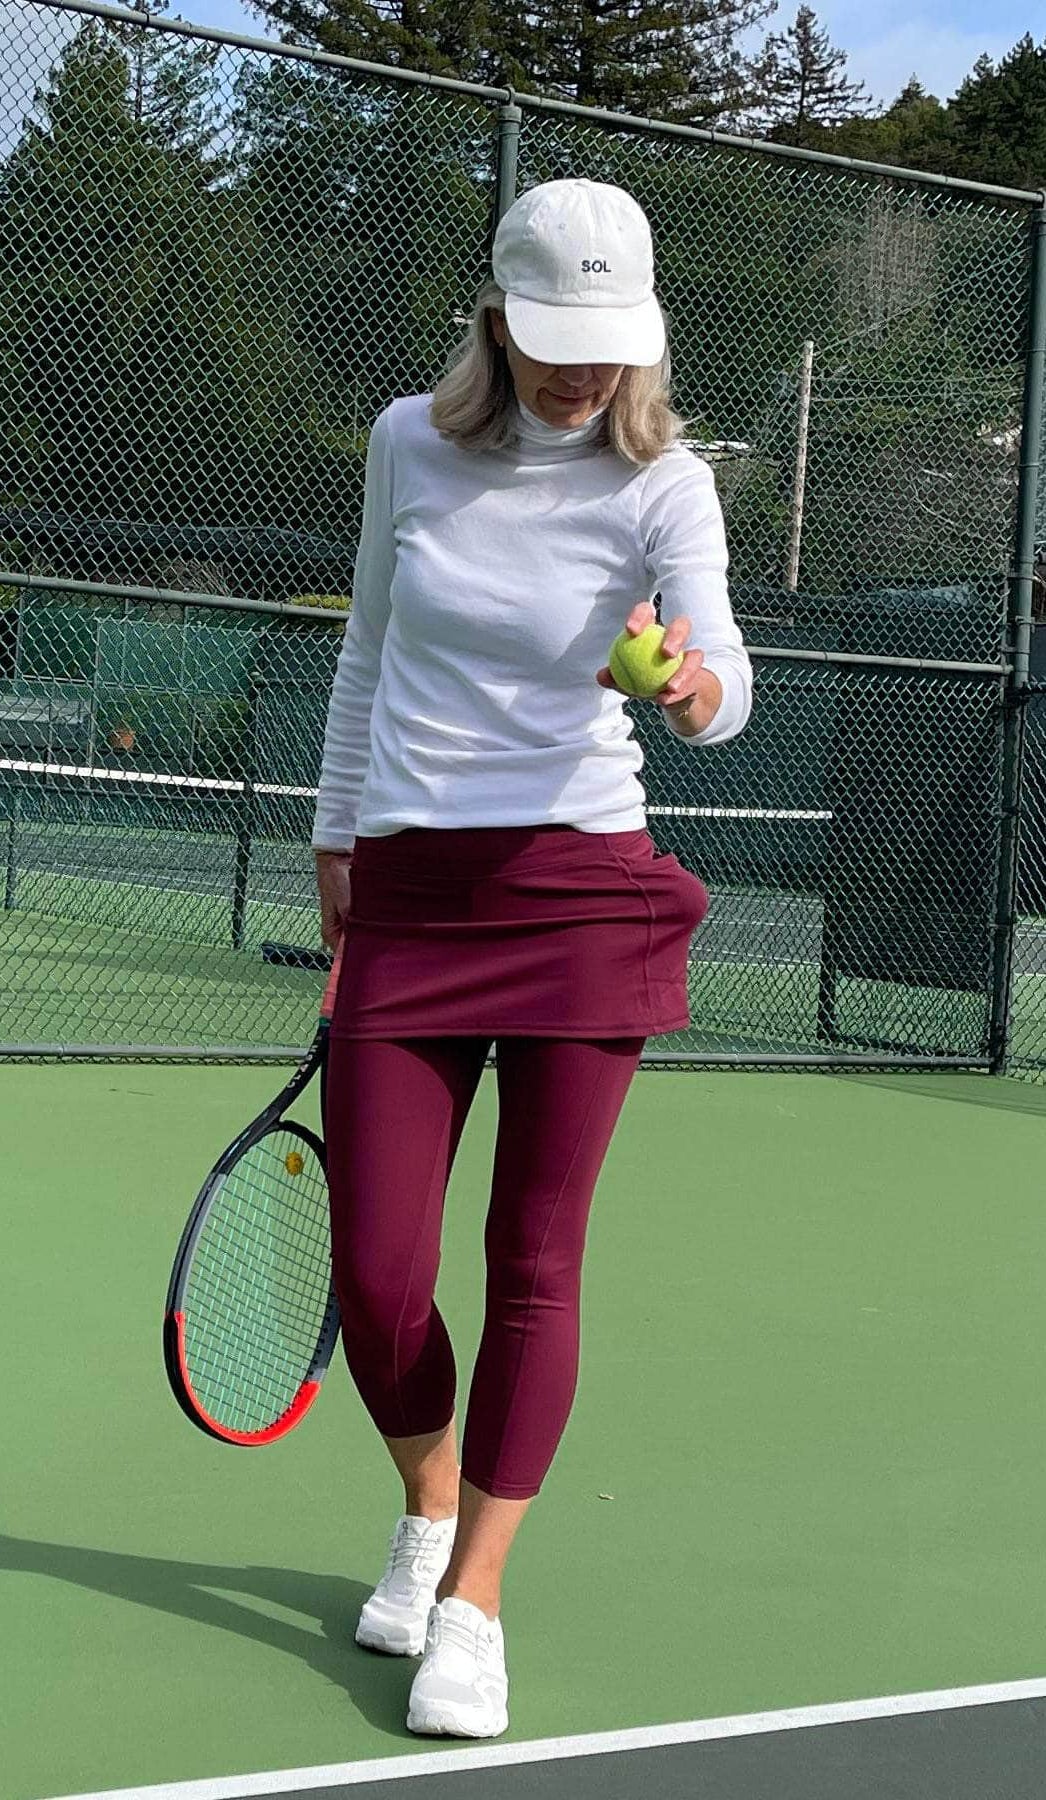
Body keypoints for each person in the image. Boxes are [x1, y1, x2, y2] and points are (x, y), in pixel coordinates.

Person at [311, 178, 752, 1740]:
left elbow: (723, 668)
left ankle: (477, 1599)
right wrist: (336, 846)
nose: (579, 375)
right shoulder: (405, 443)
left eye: (605, 348)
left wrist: (692, 689)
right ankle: (426, 1508)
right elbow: (366, 647)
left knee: (534, 1262)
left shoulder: (665, 485)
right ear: (493, 317)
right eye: (553, 342)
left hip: (579, 894)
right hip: (411, 895)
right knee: (376, 1276)